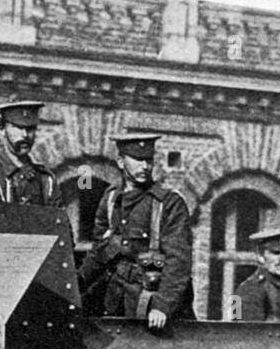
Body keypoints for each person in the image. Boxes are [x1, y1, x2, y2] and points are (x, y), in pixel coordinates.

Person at [78, 132, 195, 331]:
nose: (145, 166)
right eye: (138, 160)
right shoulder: (111, 199)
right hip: (116, 302)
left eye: (148, 160)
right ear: (121, 161)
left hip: (153, 307)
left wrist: (162, 306)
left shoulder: (168, 204)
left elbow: (178, 262)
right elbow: (98, 252)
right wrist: (77, 283)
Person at [0, 100, 62, 208]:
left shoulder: (45, 179)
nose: (24, 135)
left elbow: (57, 221)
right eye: (18, 128)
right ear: (2, 129)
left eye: (30, 129)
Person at [234, 226, 280, 322]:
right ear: (261, 256)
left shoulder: (276, 284)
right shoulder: (249, 288)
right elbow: (246, 333)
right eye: (275, 253)